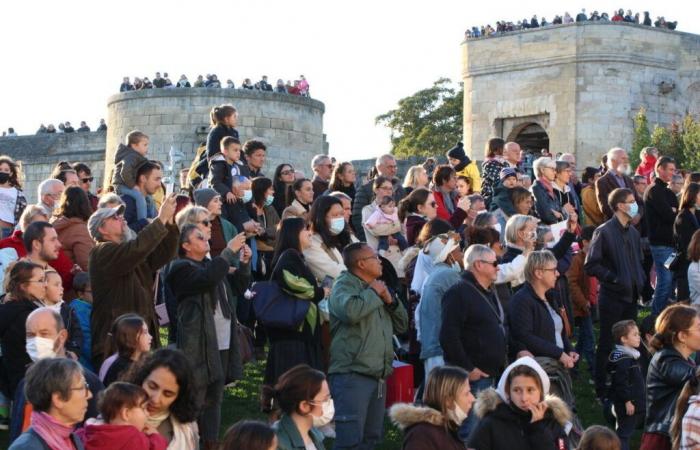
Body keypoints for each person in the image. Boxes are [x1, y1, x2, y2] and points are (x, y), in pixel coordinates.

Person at [167, 224, 250, 448]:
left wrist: (242, 264)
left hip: (221, 340)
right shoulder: (180, 268)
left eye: (206, 237)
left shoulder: (209, 265)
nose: (206, 241)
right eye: (199, 238)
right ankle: (189, 442)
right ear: (185, 245)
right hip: (199, 343)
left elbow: (238, 286)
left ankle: (211, 442)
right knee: (196, 397)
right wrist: (228, 252)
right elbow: (206, 279)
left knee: (215, 397)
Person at [328, 242, 408, 449]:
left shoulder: (378, 287)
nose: (380, 260)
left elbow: (402, 325)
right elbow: (350, 312)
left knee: (371, 439)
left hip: (377, 375)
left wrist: (391, 301)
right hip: (352, 374)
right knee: (350, 440)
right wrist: (373, 293)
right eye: (374, 257)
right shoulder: (343, 285)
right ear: (361, 263)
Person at [88, 196, 179, 365]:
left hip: (139, 338)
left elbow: (161, 256)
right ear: (102, 229)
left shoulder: (127, 253)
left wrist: (170, 223)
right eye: (115, 217)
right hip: (117, 344)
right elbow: (137, 248)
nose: (122, 218)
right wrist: (160, 220)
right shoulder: (102, 251)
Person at [440, 244, 514, 439]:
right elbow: (448, 336)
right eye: (494, 263)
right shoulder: (459, 292)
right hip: (471, 379)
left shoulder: (487, 291)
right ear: (479, 265)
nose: (498, 267)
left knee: (485, 432)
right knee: (469, 431)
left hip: (491, 374)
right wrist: (468, 368)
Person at [10, 307, 105, 443]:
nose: (36, 341)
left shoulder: (88, 382)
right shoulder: (26, 381)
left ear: (62, 337)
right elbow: (17, 428)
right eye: (31, 335)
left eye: (44, 334)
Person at [585, 188, 645, 399]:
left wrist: (641, 282)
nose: (635, 204)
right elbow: (591, 264)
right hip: (612, 297)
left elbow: (637, 262)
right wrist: (614, 278)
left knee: (629, 341)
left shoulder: (633, 232)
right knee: (607, 342)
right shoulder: (604, 231)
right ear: (620, 205)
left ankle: (626, 383)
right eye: (631, 201)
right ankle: (601, 387)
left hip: (631, 295)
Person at [265, 218, 326, 384]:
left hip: (301, 332)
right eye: (305, 229)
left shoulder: (297, 257)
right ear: (293, 233)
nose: (310, 233)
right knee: (295, 386)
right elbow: (291, 282)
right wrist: (321, 291)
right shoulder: (289, 256)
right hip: (293, 334)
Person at [467, 356, 571, 450]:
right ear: (508, 392)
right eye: (517, 390)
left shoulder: (552, 422)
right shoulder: (491, 422)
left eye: (530, 390)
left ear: (541, 392)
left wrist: (538, 429)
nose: (524, 398)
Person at [641, 305, 700, 450]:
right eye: (699, 327)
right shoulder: (665, 359)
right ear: (682, 336)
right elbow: (693, 377)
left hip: (672, 436)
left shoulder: (686, 361)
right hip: (662, 440)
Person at [509, 250, 578, 367]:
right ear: (538, 273)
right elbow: (525, 336)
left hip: (557, 364)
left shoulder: (550, 297)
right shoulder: (522, 300)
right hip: (540, 367)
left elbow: (559, 331)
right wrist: (559, 354)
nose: (557, 273)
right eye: (553, 270)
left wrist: (569, 349)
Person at [124, 349, 199, 448]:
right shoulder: (114, 412)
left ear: (179, 397)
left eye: (168, 394)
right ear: (141, 379)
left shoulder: (186, 429)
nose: (155, 399)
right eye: (152, 387)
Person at [9, 358, 90, 450]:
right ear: (58, 399)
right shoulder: (27, 447)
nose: (89, 395)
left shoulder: (73, 439)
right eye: (82, 388)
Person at [389, 365, 474, 450]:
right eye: (466, 393)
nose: (473, 399)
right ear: (448, 400)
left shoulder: (446, 429)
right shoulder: (422, 434)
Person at [414, 233, 463, 377]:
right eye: (458, 251)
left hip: (433, 347)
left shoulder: (434, 275)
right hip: (442, 350)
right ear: (449, 255)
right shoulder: (448, 275)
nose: (462, 255)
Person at [77, 382, 168, 450]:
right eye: (144, 408)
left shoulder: (89, 431)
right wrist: (155, 436)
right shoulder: (132, 437)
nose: (148, 414)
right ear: (126, 414)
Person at [0, 261, 44, 398]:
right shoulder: (28, 317)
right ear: (24, 286)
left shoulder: (9, 309)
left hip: (17, 384)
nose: (45, 285)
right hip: (34, 385)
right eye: (40, 281)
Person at [261, 365, 329, 450]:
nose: (330, 404)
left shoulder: (314, 435)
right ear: (304, 406)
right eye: (325, 399)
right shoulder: (275, 443)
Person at [644, 156, 678, 314]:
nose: (673, 172)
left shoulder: (667, 192)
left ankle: (665, 316)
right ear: (660, 169)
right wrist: (672, 212)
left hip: (671, 243)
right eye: (670, 169)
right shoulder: (653, 190)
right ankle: (655, 317)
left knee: (670, 282)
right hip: (660, 243)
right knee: (665, 281)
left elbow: (676, 213)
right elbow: (669, 215)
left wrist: (673, 211)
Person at [606, 320, 645, 450]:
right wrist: (627, 401)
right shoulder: (623, 359)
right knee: (624, 434)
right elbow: (620, 383)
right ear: (623, 339)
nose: (638, 337)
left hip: (634, 402)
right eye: (634, 334)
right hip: (628, 404)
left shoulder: (627, 356)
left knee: (625, 430)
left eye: (638, 334)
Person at [351, 154, 406, 242]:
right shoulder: (365, 189)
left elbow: (404, 215)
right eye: (390, 167)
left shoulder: (400, 190)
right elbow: (358, 218)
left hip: (398, 241)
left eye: (395, 167)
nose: (393, 170)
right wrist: (371, 242)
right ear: (379, 168)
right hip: (376, 243)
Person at [566, 225, 596, 380]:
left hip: (588, 304)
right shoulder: (577, 259)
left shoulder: (592, 256)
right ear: (585, 242)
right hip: (581, 306)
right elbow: (571, 283)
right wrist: (584, 302)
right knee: (589, 340)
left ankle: (574, 368)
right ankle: (595, 373)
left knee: (584, 340)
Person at [304, 195, 352, 281]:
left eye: (341, 214)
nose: (340, 218)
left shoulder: (347, 235)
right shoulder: (311, 243)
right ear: (321, 218)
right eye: (335, 215)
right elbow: (333, 273)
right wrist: (361, 272)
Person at [50, 186, 94, 271]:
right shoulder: (80, 230)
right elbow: (87, 264)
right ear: (85, 204)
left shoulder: (54, 223)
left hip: (54, 276)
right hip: (71, 278)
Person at [111, 130, 150, 222]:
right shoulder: (131, 156)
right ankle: (143, 221)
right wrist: (133, 185)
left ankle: (153, 218)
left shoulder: (135, 156)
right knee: (139, 196)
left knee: (148, 198)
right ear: (134, 145)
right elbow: (125, 172)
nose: (147, 148)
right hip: (121, 185)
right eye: (144, 145)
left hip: (126, 184)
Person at [102, 314, 152, 386]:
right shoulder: (120, 368)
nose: (150, 337)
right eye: (145, 333)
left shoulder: (143, 362)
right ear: (131, 337)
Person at [595, 148, 640, 221]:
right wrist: (625, 217)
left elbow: (638, 201)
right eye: (623, 158)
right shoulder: (602, 181)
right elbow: (605, 207)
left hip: (633, 227)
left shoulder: (628, 180)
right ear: (613, 160)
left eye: (627, 159)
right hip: (615, 226)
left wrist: (638, 215)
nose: (626, 161)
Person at [248, 177, 280, 276]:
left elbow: (279, 228)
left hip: (273, 252)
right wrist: (267, 232)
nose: (273, 192)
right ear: (261, 191)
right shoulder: (249, 208)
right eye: (270, 189)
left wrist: (265, 232)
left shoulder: (270, 208)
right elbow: (255, 231)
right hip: (257, 255)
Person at [122, 161, 162, 233]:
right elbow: (119, 232)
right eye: (156, 179)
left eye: (160, 180)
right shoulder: (127, 201)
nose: (159, 184)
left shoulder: (149, 200)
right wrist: (145, 223)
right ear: (143, 178)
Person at [69, 272, 94, 371]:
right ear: (80, 294)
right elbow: (86, 340)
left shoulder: (89, 307)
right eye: (92, 291)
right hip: (86, 365)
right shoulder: (79, 310)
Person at [532, 157, 565, 225]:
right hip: (544, 230)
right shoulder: (536, 188)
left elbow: (562, 213)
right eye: (552, 169)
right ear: (542, 170)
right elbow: (547, 216)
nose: (555, 172)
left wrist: (559, 214)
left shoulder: (550, 187)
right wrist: (558, 214)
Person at [209, 136, 242, 205]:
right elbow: (215, 182)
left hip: (236, 201)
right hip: (222, 202)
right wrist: (226, 192)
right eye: (235, 150)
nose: (238, 153)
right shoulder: (218, 165)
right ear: (225, 151)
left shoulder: (239, 166)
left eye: (239, 150)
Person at [0, 156, 27, 237]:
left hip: (9, 232)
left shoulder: (18, 193)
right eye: (0, 169)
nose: (2, 172)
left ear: (11, 173)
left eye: (6, 170)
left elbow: (23, 214)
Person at [480, 138, 508, 206]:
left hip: (501, 194)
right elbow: (497, 179)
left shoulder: (503, 162)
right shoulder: (490, 163)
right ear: (495, 150)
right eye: (503, 148)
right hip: (491, 195)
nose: (506, 150)